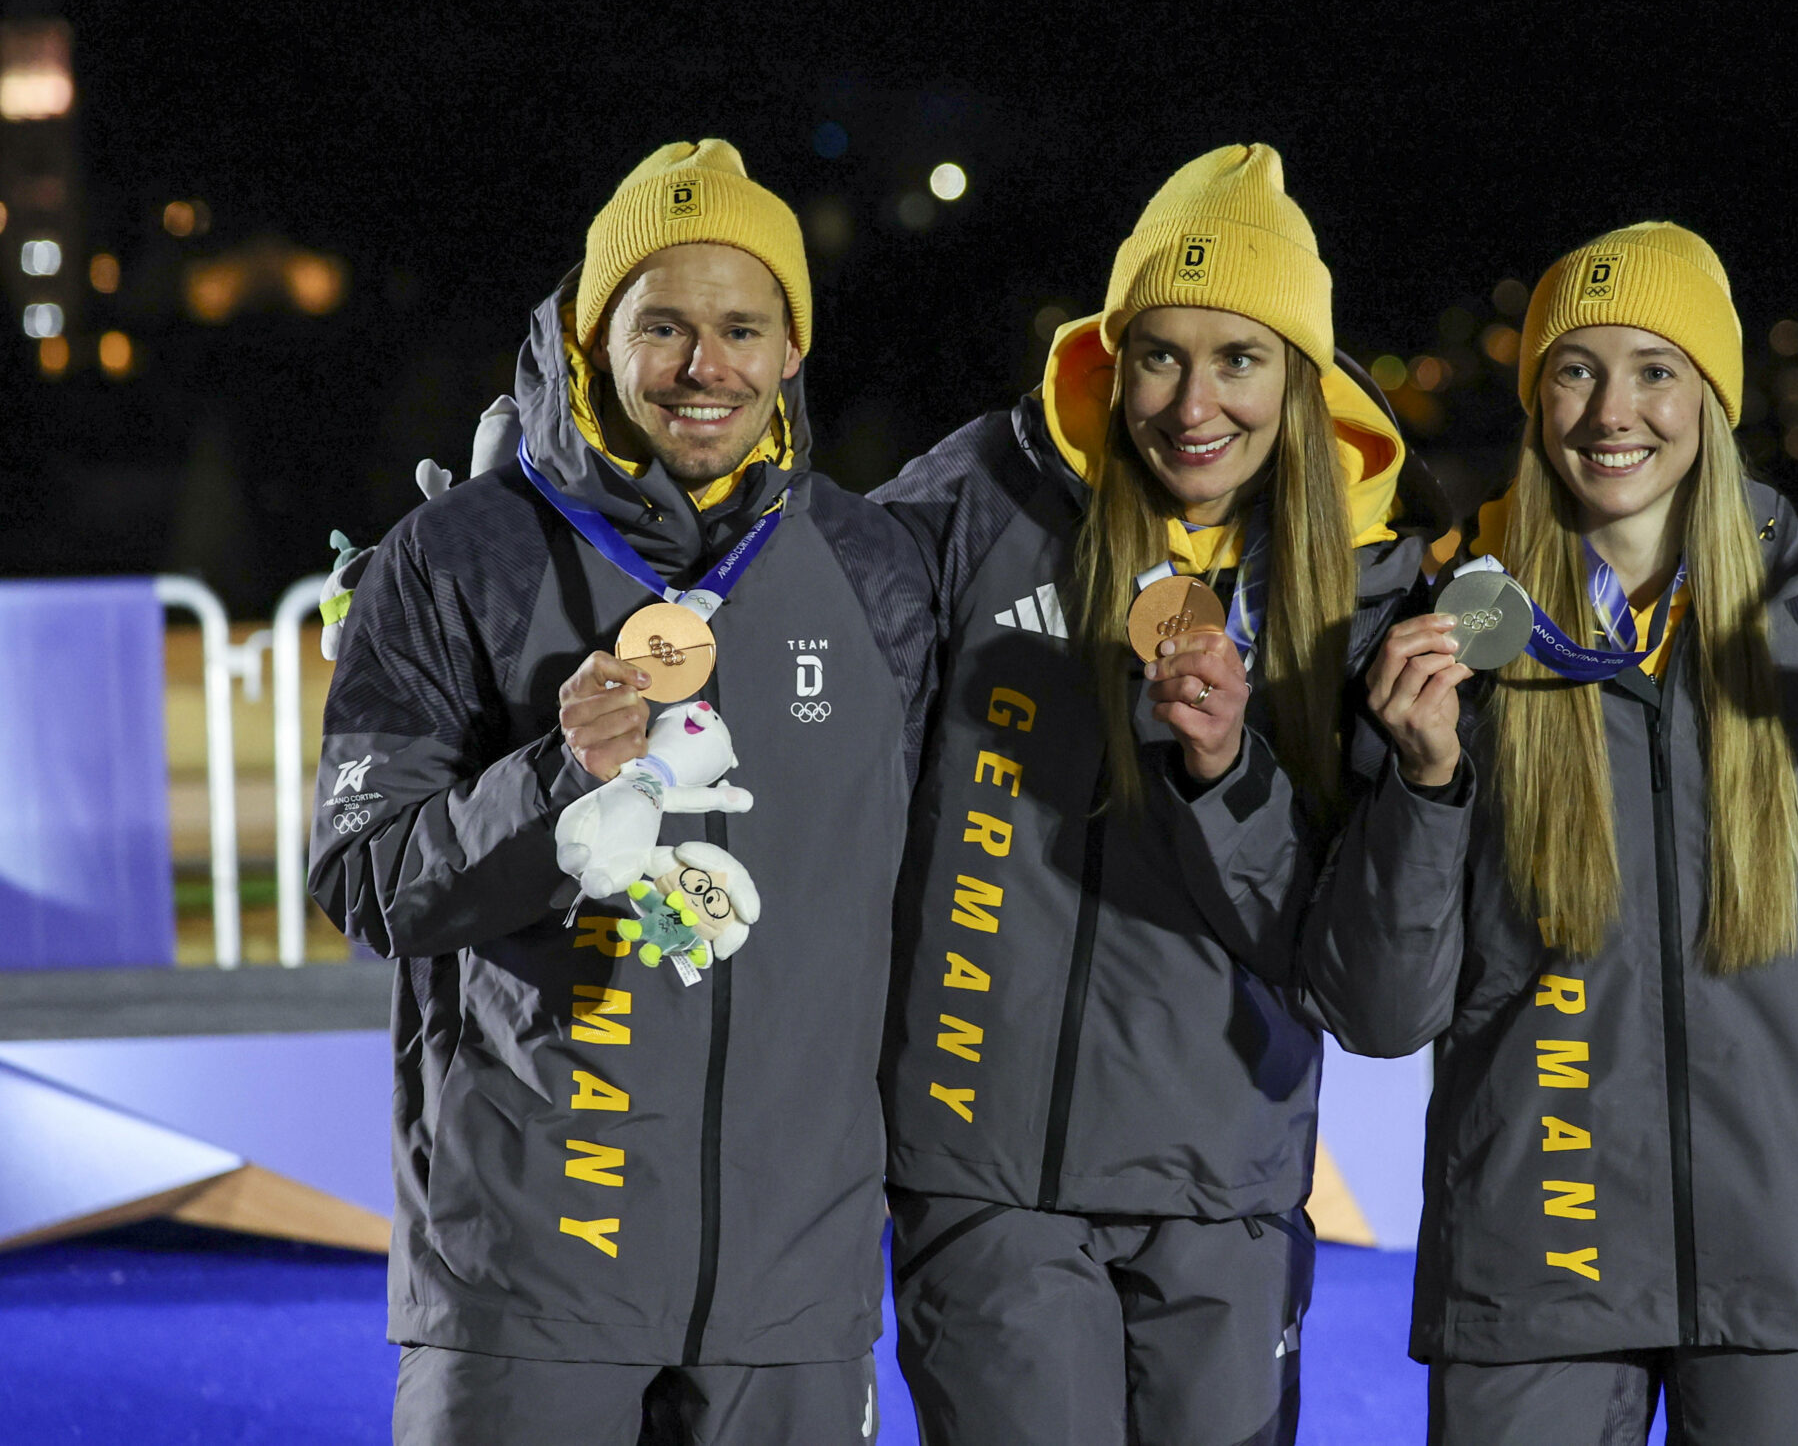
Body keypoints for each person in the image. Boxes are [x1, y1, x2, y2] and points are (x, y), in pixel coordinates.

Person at [310, 141, 935, 1445]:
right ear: (595, 339)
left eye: (742, 326)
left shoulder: (878, 572)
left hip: (793, 1301)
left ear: (790, 351)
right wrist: (555, 779)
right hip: (527, 1287)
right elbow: (364, 876)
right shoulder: (458, 557)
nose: (706, 366)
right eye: (663, 325)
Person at [868, 142, 1443, 1446]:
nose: (1194, 401)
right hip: (991, 1176)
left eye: (1239, 356)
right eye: (1160, 353)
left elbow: (1365, 980)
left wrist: (1233, 770)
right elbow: (787, 640)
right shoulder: (979, 498)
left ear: (1300, 377)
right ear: (1105, 357)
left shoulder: (1366, 590)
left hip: (1226, 1191)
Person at [1302, 222, 1798, 1444]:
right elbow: (1380, 1012)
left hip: (1785, 1272)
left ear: (1712, 400)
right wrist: (1425, 781)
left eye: (1657, 369)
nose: (1614, 409)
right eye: (1575, 368)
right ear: (1535, 397)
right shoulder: (1452, 628)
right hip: (1533, 1269)